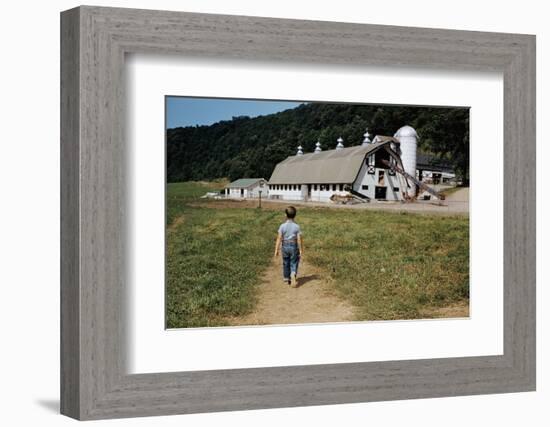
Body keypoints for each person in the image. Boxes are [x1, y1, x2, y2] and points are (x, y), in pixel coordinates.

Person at [274, 206, 304, 288]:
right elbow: (299, 239)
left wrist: (276, 249)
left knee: (286, 261)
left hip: (285, 246)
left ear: (285, 215)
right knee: (294, 261)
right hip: (293, 246)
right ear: (295, 215)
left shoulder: (282, 226)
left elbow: (279, 238)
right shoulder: (297, 227)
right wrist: (301, 250)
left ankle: (286, 277)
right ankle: (293, 273)